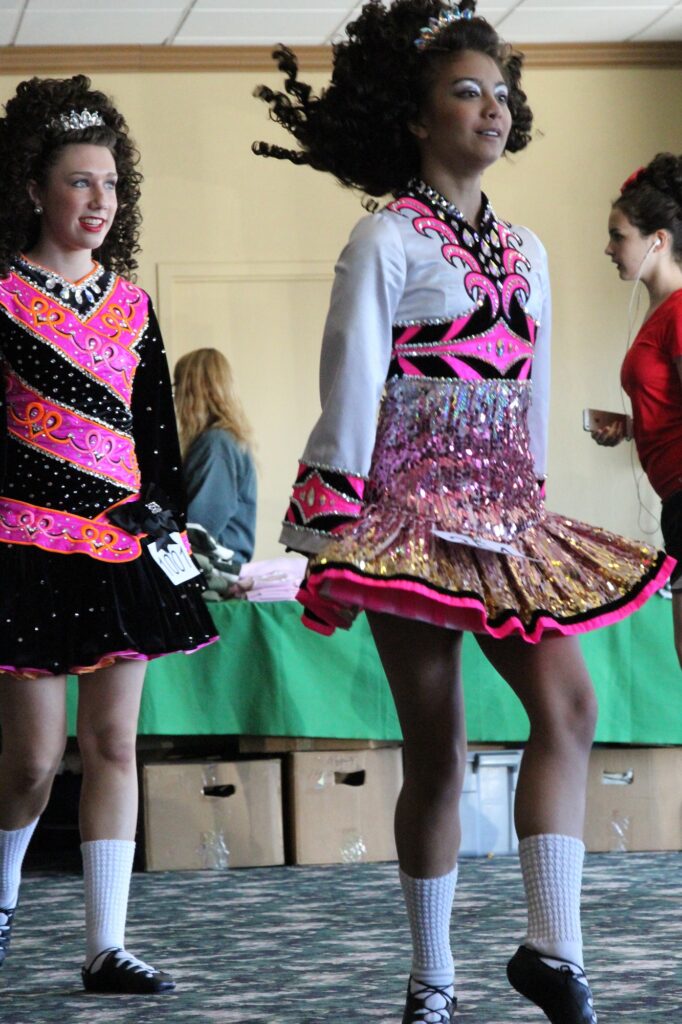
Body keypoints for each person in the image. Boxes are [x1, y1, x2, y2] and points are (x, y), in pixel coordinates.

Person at [254, 3, 674, 1022]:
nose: (491, 108)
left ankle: (551, 951)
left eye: (501, 92)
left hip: (507, 515)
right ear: (415, 116)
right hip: (407, 519)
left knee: (572, 707)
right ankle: (430, 980)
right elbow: (350, 390)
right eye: (465, 89)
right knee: (435, 749)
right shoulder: (385, 239)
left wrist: (535, 503)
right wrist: (326, 529)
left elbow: (526, 400)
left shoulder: (526, 250)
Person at [0, 75, 217, 993]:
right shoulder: (3, 294)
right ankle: (5, 908)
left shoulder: (132, 308)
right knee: (32, 760)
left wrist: (171, 532)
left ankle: (106, 942)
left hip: (123, 549)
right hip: (25, 550)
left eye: (112, 186)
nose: (99, 201)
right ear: (36, 191)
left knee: (116, 747)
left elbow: (157, 439)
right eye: (81, 183)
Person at [595, 153, 682, 669]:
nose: (608, 247)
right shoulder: (659, 311)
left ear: (658, 240)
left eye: (618, 235)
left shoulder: (678, 311)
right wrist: (632, 427)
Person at [174, 347, 257, 568]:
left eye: (177, 386)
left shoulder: (216, 444)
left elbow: (200, 527)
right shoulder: (224, 440)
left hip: (214, 568)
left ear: (192, 391)